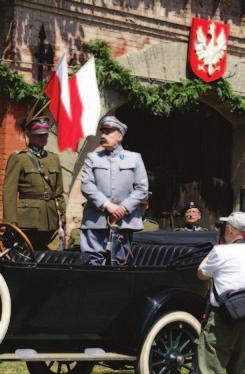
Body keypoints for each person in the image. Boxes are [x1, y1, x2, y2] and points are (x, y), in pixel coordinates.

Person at [80, 115, 148, 265]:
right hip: (95, 220)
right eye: (102, 131)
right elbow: (86, 185)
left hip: (124, 221)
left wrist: (123, 208)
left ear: (120, 136)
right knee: (91, 262)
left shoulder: (134, 158)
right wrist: (107, 205)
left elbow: (142, 188)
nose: (103, 135)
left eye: (108, 132)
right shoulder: (92, 158)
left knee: (120, 262)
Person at [3, 116, 66, 251]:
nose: (43, 138)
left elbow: (59, 192)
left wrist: (62, 215)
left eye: (45, 135)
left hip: (51, 219)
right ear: (29, 135)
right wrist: (11, 223)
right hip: (28, 220)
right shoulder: (19, 158)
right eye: (38, 135)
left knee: (50, 259)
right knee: (25, 256)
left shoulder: (53, 158)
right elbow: (9, 192)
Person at [197, 211, 245, 374]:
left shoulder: (220, 252)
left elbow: (201, 274)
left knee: (209, 366)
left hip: (222, 318)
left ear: (231, 230)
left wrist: (215, 249)